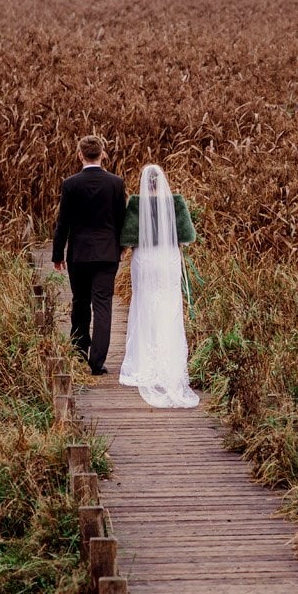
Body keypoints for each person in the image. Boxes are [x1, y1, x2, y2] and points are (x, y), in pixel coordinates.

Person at [119, 164, 199, 408]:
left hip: (145, 260)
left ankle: (143, 362)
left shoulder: (135, 203)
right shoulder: (176, 202)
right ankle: (169, 361)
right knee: (169, 305)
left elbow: (127, 237)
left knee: (144, 303)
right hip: (168, 260)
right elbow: (188, 236)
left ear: (145, 183)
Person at [52, 135, 127, 376]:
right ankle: (97, 362)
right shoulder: (116, 183)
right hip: (107, 253)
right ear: (102, 154)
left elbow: (63, 223)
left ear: (79, 155)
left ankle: (79, 351)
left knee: (80, 301)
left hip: (79, 254)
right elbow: (121, 218)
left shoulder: (70, 184)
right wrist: (121, 247)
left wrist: (57, 254)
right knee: (103, 306)